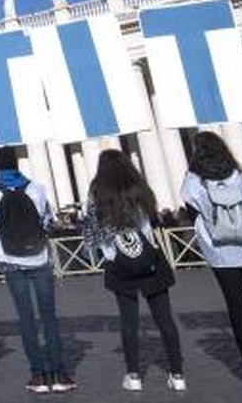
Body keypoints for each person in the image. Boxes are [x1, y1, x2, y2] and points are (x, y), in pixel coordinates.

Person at [181, 131, 242, 392]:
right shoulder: (240, 174)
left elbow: (192, 214)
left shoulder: (192, 180)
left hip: (221, 252)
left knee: (238, 310)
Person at [83, 150, 184, 392]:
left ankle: (134, 375)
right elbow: (154, 220)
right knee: (165, 319)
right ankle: (178, 375)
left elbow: (91, 226)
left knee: (129, 320)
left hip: (118, 260)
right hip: (149, 257)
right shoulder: (139, 186)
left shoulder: (97, 189)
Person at [0, 146, 75, 393]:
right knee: (49, 316)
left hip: (11, 260)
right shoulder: (36, 189)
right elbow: (48, 221)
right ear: (17, 163)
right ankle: (60, 373)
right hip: (39, 257)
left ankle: (37, 375)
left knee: (26, 318)